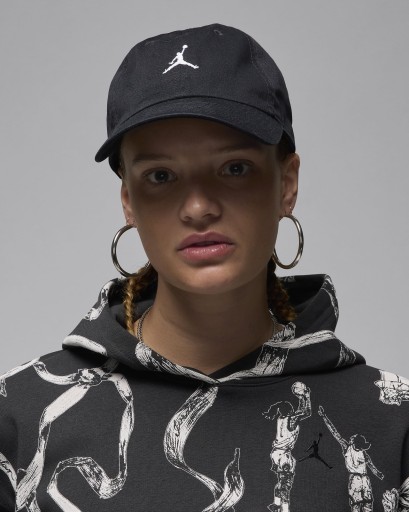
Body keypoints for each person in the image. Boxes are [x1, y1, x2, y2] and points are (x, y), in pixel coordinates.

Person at [0, 23, 407, 512]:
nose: (198, 207)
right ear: (128, 201)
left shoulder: (393, 424)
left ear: (287, 183)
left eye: (234, 168)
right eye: (161, 176)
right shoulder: (18, 417)